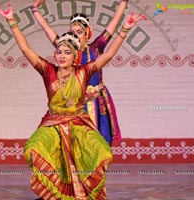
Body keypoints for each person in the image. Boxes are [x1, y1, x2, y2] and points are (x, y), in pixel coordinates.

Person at [0, 4, 145, 200]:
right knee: (34, 148)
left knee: (100, 152)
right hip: (53, 125)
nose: (61, 55)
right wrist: (11, 20)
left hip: (78, 124)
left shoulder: (84, 72)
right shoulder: (47, 70)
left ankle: (81, 194)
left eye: (66, 52)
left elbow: (108, 55)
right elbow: (25, 48)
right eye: (58, 52)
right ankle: (55, 192)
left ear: (75, 57)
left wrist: (126, 27)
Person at [30, 0, 129, 145]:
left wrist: (123, 3)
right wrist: (35, 9)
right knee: (76, 143)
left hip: (96, 101)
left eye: (79, 32)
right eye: (72, 32)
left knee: (100, 142)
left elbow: (113, 25)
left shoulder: (96, 48)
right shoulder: (66, 50)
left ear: (87, 33)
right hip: (74, 103)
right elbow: (47, 30)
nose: (75, 35)